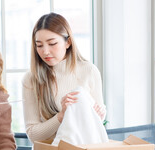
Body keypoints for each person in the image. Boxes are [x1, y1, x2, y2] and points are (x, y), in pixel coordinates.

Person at [22, 12, 106, 142]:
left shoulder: (89, 71)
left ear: (68, 42)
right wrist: (61, 117)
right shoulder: (31, 79)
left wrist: (99, 115)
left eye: (52, 43)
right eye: (39, 45)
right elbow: (32, 134)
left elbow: (97, 123)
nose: (45, 51)